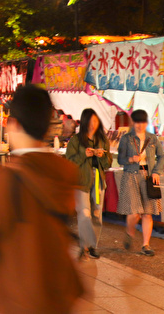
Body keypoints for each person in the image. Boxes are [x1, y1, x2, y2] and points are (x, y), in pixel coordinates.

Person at [0, 85, 83, 314]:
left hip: (21, 297)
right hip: (60, 294)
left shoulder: (7, 179)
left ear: (14, 125)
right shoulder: (66, 171)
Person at [116, 108, 164, 256]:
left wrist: (156, 171)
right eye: (137, 122)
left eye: (142, 122)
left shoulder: (152, 138)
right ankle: (129, 232)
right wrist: (131, 159)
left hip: (148, 176)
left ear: (146, 122)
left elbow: (161, 156)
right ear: (133, 122)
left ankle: (146, 245)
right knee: (134, 212)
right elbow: (120, 159)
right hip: (131, 174)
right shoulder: (126, 138)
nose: (140, 125)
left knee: (147, 213)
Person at [65, 108, 112, 258]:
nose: (93, 125)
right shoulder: (76, 140)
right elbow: (69, 162)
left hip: (98, 179)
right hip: (81, 181)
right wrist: (83, 155)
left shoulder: (103, 140)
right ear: (85, 122)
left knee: (97, 213)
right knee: (84, 213)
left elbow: (108, 163)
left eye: (96, 121)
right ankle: (84, 245)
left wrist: (101, 156)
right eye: (90, 122)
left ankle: (93, 246)